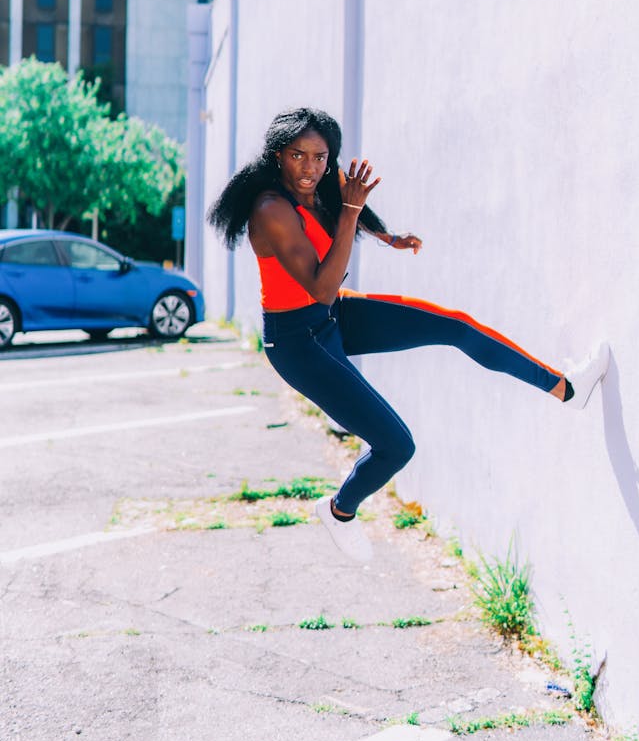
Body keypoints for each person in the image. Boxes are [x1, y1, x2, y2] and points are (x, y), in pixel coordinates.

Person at [208, 107, 610, 563]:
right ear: (278, 155)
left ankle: (566, 388)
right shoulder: (271, 210)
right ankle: (340, 510)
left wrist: (385, 234)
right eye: (298, 156)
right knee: (397, 446)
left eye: (320, 157)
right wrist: (353, 209)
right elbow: (322, 286)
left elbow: (343, 210)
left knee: (455, 326)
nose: (311, 168)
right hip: (298, 342)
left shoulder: (321, 180)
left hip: (330, 316)